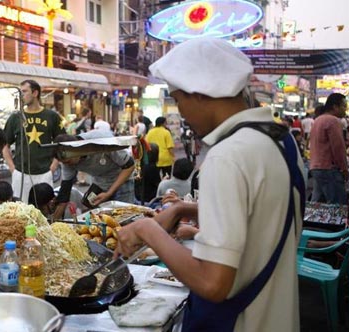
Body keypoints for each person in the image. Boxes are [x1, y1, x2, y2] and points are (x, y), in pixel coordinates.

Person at [115, 38, 304, 331]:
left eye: (179, 100)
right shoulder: (281, 141)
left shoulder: (227, 156)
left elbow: (213, 283)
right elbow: (260, 214)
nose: (182, 113)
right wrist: (184, 209)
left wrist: (147, 229)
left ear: (200, 93)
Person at [2, 80, 65, 203]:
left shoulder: (51, 116)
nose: (21, 95)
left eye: (24, 91)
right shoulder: (16, 117)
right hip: (20, 173)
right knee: (20, 211)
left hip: (45, 172)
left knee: (44, 209)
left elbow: (62, 143)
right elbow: (5, 144)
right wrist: (12, 169)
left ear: (35, 93)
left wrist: (53, 167)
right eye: (20, 92)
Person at [53, 132, 135, 219]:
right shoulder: (66, 160)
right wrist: (53, 224)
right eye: (64, 163)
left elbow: (129, 166)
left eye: (68, 162)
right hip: (101, 181)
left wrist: (109, 193)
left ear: (76, 151)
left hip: (122, 178)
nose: (68, 165)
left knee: (123, 217)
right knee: (96, 215)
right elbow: (64, 194)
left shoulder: (102, 141)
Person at [309, 93, 348, 204]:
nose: (345, 109)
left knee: (316, 205)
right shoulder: (333, 121)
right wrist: (344, 169)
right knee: (338, 205)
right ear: (335, 107)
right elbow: (338, 148)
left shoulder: (318, 120)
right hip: (329, 169)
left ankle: (306, 222)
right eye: (343, 106)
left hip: (316, 167)